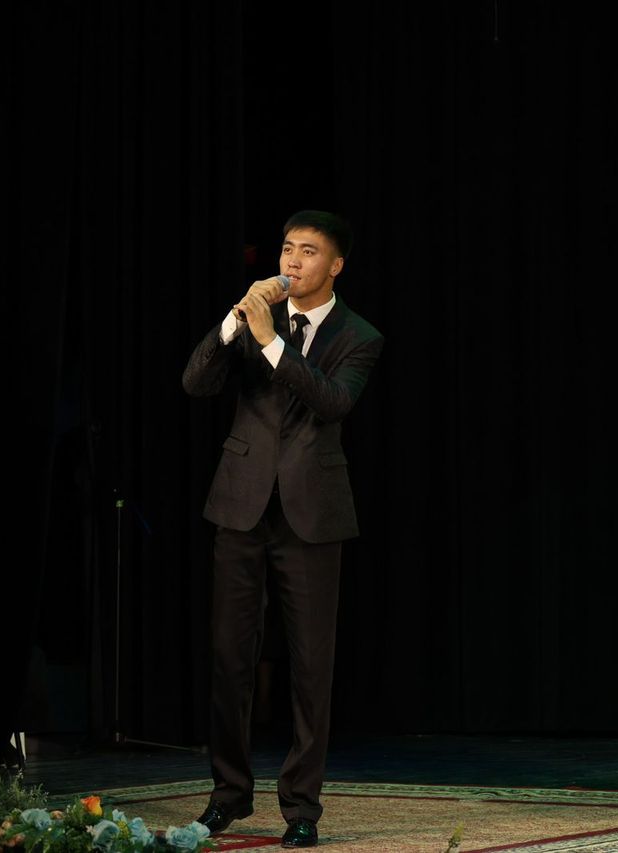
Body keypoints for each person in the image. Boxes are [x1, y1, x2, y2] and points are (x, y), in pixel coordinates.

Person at [182, 210, 384, 848]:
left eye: (309, 251)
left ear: (336, 265)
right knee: (228, 657)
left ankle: (301, 808)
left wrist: (272, 341)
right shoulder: (252, 318)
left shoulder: (359, 335)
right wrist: (235, 322)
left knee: (310, 665)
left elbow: (332, 402)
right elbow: (195, 383)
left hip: (311, 514)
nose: (293, 261)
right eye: (287, 248)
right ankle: (227, 796)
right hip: (240, 505)